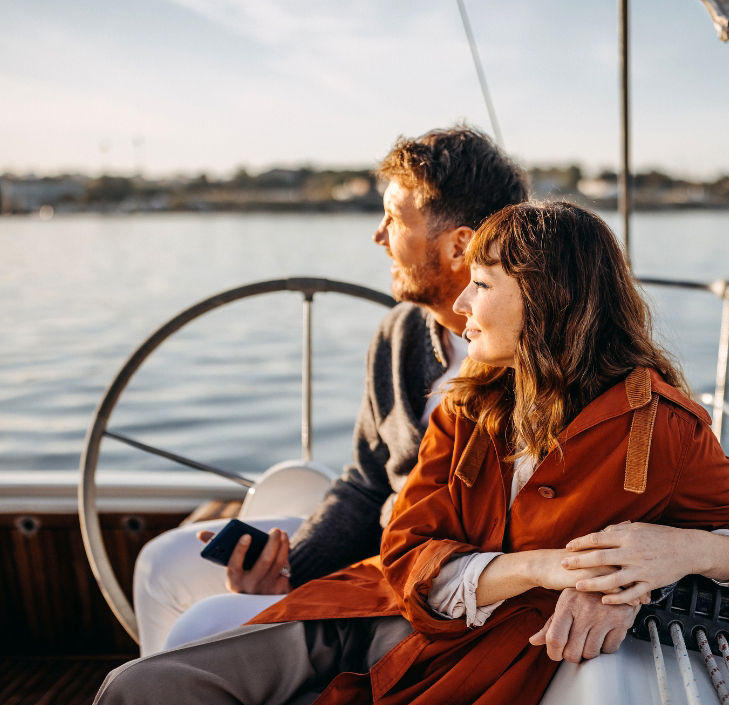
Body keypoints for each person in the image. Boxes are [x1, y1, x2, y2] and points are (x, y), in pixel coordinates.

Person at [68, 200, 729, 705]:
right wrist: (542, 567)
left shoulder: (661, 426)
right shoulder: (469, 404)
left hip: (449, 684)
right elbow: (406, 546)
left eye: (480, 284)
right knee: (133, 691)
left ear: (543, 299)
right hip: (362, 618)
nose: (460, 306)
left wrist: (681, 553)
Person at [132, 124, 530, 655]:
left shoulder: (542, 357)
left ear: (460, 245)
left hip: (434, 586)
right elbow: (368, 482)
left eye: (394, 218)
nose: (378, 235)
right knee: (159, 566)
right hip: (380, 545)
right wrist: (292, 568)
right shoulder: (400, 334)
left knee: (201, 631)